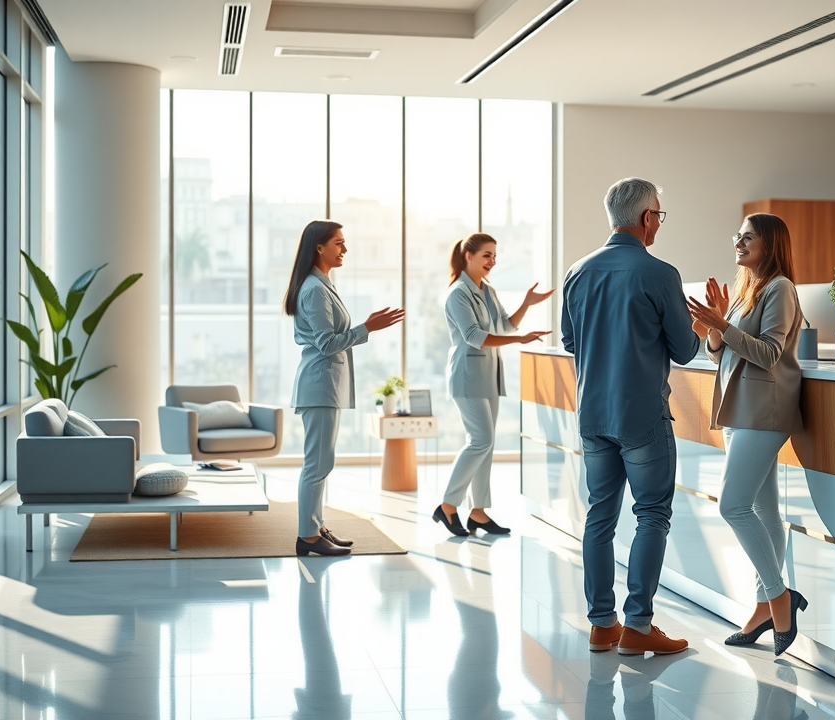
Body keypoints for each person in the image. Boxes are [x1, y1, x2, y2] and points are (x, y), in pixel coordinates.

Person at [561, 177, 700, 656]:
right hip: (642, 416)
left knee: (600, 516)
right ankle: (638, 625)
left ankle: (602, 625)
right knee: (652, 515)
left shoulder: (577, 271)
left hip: (593, 414)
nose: (658, 223)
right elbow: (685, 350)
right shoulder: (660, 273)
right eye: (658, 215)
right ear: (646, 218)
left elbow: (569, 341)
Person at [685, 213, 807, 656]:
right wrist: (712, 331)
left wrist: (722, 326)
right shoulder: (747, 289)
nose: (738, 241)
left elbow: (770, 353)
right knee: (764, 512)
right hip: (739, 409)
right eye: (737, 235)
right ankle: (762, 606)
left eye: (748, 236)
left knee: (732, 505)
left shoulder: (781, 288)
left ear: (770, 243)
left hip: (764, 411)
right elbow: (723, 353)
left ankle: (780, 597)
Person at [285, 220, 405, 557]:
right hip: (319, 385)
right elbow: (326, 344)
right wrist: (368, 327)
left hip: (325, 386)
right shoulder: (313, 288)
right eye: (339, 243)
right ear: (319, 247)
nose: (345, 250)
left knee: (323, 461)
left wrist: (366, 327)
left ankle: (316, 526)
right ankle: (307, 537)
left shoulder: (321, 285)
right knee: (317, 463)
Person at [434, 233, 553, 537]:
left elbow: (504, 326)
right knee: (480, 440)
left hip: (489, 375)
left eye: (495, 255)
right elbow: (474, 336)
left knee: (485, 446)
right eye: (487, 255)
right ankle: (448, 505)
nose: (492, 261)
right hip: (467, 375)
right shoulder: (457, 293)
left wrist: (526, 304)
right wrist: (519, 339)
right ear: (468, 257)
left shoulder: (487, 291)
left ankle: (478, 513)